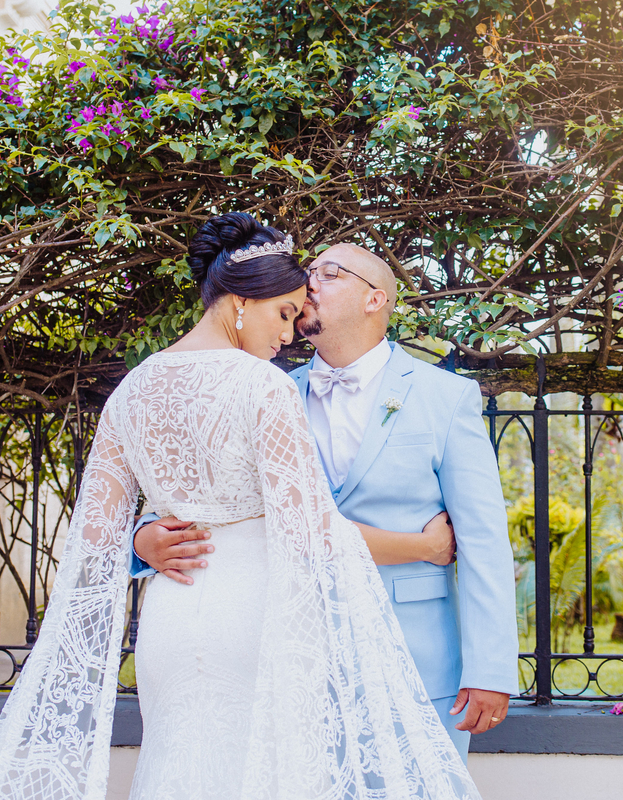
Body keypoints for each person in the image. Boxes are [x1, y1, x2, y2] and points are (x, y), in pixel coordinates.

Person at [0, 214, 481, 800]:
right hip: (255, 619)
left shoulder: (132, 389)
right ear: (240, 302)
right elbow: (312, 533)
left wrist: (142, 541)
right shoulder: (265, 386)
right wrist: (426, 546)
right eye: (283, 313)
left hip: (169, 621)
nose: (289, 334)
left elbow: (95, 537)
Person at [131, 241, 519, 759]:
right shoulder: (263, 389)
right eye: (308, 270)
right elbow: (202, 490)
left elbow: (483, 540)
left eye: (329, 272)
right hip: (289, 661)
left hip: (416, 658)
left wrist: (490, 668)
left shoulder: (445, 398)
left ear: (375, 299)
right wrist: (144, 538)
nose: (309, 281)